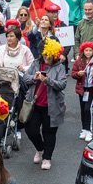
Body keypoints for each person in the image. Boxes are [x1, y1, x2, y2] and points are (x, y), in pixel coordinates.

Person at [22, 39, 68, 170]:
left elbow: (63, 84)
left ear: (55, 55)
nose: (47, 57)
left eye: (49, 55)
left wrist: (49, 81)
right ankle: (40, 149)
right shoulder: (36, 63)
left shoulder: (59, 67)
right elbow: (25, 78)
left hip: (51, 107)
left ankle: (47, 158)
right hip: (35, 104)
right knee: (31, 130)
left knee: (49, 133)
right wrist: (33, 78)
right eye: (44, 54)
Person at [70, 43, 93, 143]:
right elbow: (73, 74)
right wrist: (78, 74)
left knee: (87, 108)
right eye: (86, 50)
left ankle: (89, 130)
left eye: (90, 50)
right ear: (83, 51)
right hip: (82, 88)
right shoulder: (78, 61)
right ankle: (84, 129)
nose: (88, 52)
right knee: (82, 109)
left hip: (91, 89)